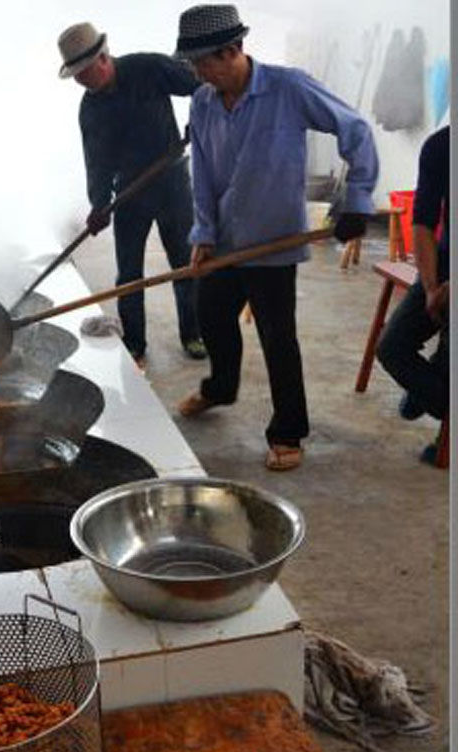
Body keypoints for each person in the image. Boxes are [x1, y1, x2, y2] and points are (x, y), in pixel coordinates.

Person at [173, 5, 378, 471]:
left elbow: (356, 129)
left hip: (273, 243)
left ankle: (288, 431)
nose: (200, 73)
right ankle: (220, 388)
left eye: (205, 62)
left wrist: (358, 200)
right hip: (224, 241)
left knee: (277, 337)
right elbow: (201, 171)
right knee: (211, 316)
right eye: (194, 65)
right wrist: (203, 230)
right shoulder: (203, 101)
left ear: (234, 50)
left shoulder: (288, 88)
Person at [57, 22, 205, 368]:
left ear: (104, 58)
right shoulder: (90, 109)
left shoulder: (148, 68)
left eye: (84, 72)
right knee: (128, 274)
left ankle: (193, 333)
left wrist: (203, 119)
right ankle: (135, 341)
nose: (81, 80)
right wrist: (99, 204)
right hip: (129, 194)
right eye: (76, 75)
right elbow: (97, 162)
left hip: (172, 181)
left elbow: (200, 85)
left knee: (185, 262)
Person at [376, 126, 449, 465]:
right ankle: (436, 390)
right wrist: (433, 286)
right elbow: (422, 222)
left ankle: (442, 410)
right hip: (445, 260)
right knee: (392, 347)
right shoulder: (441, 145)